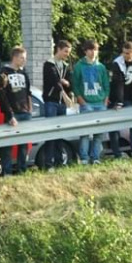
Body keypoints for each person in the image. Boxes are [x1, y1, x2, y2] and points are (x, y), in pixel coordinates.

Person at [73, 40, 109, 165]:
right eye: (91, 49)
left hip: (100, 103)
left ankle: (95, 157)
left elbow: (106, 84)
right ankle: (84, 158)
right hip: (86, 103)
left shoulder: (101, 67)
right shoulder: (79, 66)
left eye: (95, 49)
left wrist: (105, 100)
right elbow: (75, 84)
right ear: (85, 51)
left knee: (99, 132)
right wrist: (81, 100)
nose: (93, 52)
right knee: (85, 132)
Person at [0, 46, 32, 175]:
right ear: (14, 57)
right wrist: (10, 115)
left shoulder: (24, 73)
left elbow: (28, 92)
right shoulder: (4, 72)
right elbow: (2, 96)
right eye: (22, 58)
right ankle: (7, 172)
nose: (24, 61)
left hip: (25, 112)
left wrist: (29, 109)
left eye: (25, 58)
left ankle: (22, 170)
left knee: (23, 144)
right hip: (12, 113)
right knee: (8, 144)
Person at [42, 40, 72, 170]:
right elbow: (54, 81)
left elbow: (69, 82)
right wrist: (64, 94)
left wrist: (69, 92)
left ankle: (60, 163)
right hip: (51, 102)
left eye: (68, 52)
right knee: (51, 133)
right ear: (58, 49)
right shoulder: (49, 64)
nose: (67, 54)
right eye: (65, 51)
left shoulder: (65, 65)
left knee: (60, 133)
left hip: (61, 104)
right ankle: (49, 163)